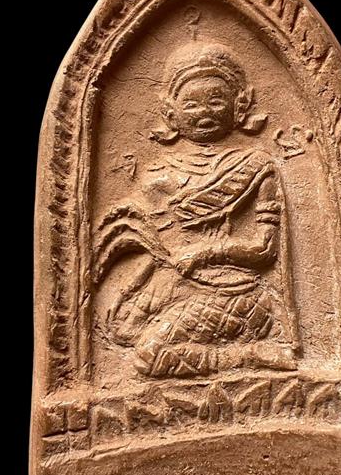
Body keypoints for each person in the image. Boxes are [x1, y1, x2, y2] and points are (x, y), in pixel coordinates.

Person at [94, 42, 300, 378]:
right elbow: (164, 247)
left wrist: (204, 254)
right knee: (121, 328)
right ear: (170, 113)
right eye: (191, 104)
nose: (204, 112)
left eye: (216, 101)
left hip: (237, 290)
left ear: (240, 106)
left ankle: (249, 356)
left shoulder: (257, 166)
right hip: (178, 280)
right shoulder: (159, 176)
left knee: (147, 358)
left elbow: (265, 249)